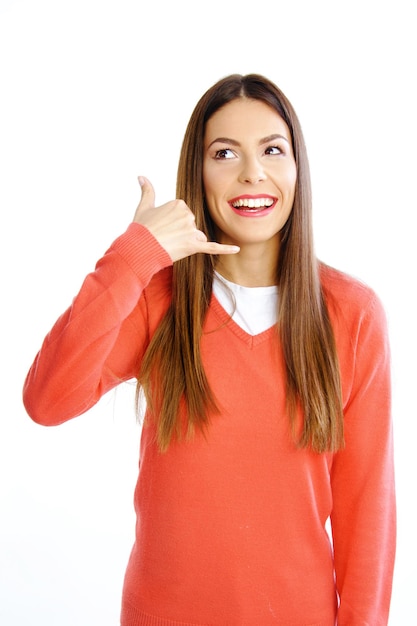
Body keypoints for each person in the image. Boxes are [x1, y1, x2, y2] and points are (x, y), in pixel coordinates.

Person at [23, 73, 396, 626]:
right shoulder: (155, 297)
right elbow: (47, 400)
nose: (253, 172)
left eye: (272, 149)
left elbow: (369, 514)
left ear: (298, 170)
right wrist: (133, 257)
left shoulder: (352, 314)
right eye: (225, 153)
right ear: (197, 173)